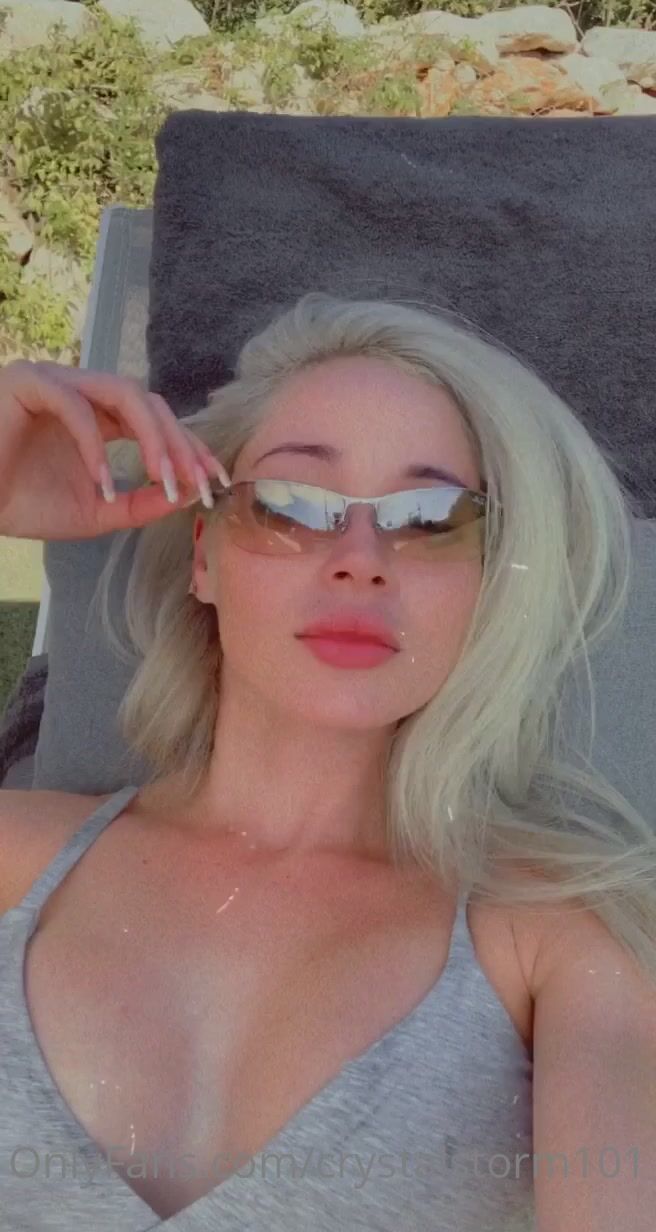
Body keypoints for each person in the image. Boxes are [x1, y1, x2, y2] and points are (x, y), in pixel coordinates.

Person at [0, 291, 655, 1232]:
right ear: (203, 556)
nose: (361, 558)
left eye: (430, 516)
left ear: (485, 588)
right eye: (290, 504)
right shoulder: (17, 860)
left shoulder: (555, 946)